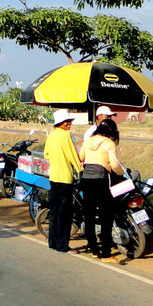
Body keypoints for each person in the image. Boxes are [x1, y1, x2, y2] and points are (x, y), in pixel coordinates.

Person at [79, 118, 127, 263]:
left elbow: (81, 157)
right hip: (101, 181)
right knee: (107, 216)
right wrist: (120, 174)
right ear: (112, 132)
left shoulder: (88, 141)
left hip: (86, 180)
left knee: (89, 216)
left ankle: (94, 250)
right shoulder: (109, 143)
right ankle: (106, 254)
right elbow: (114, 164)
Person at [43, 109, 84, 254]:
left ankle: (52, 242)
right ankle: (62, 246)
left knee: (54, 211)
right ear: (60, 123)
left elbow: (46, 154)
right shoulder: (65, 136)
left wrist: (56, 159)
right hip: (65, 178)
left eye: (70, 121)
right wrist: (80, 168)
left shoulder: (51, 136)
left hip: (53, 176)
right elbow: (72, 155)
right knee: (64, 213)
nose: (69, 124)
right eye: (67, 122)